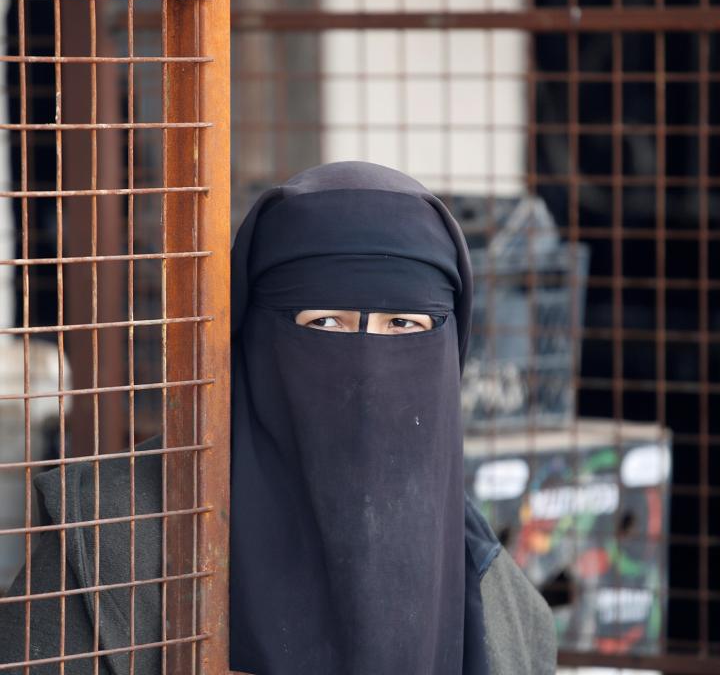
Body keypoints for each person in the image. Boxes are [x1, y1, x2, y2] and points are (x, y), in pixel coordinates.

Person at [0, 161, 556, 674]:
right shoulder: (112, 543)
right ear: (253, 335)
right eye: (325, 324)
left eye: (404, 326)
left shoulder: (498, 596)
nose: (366, 367)